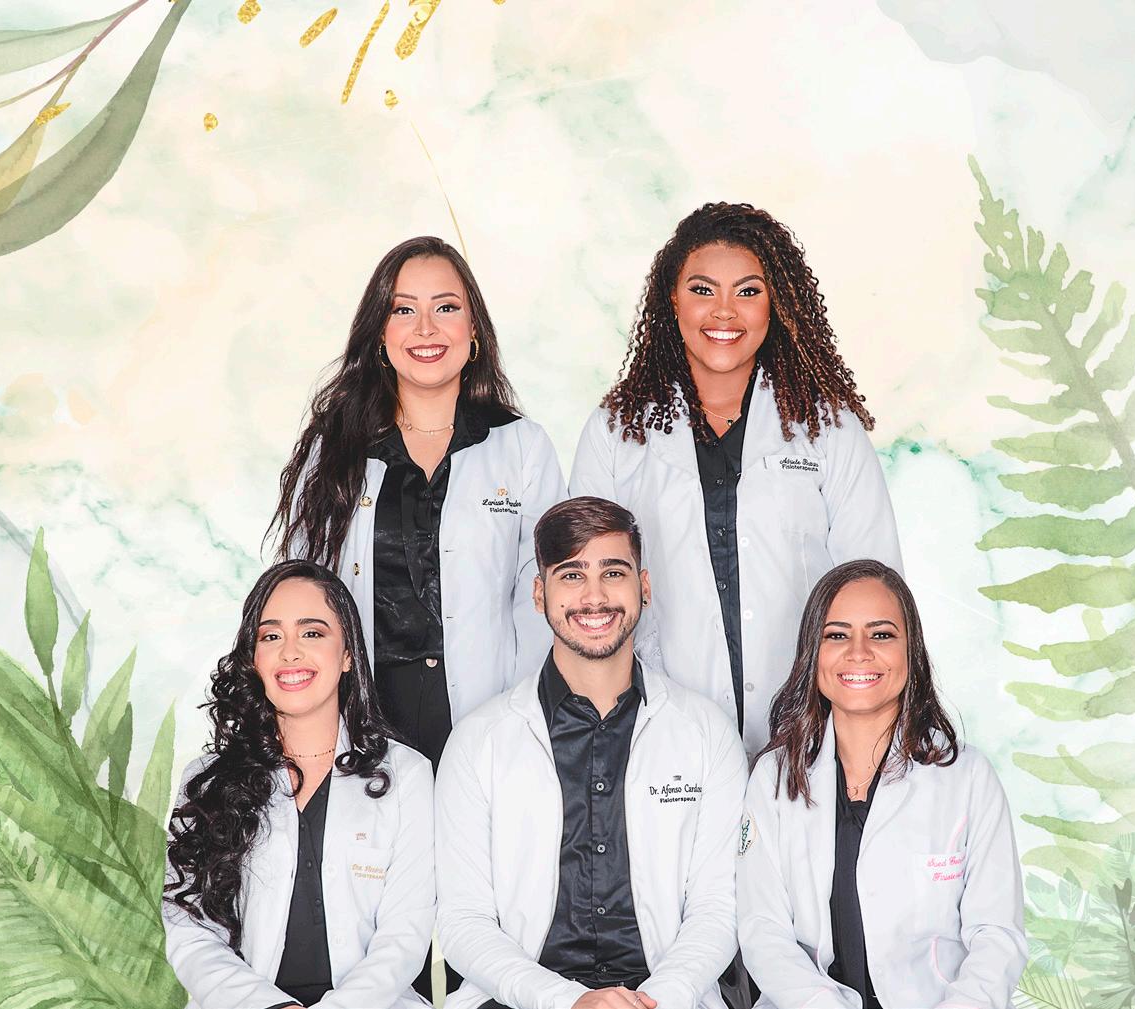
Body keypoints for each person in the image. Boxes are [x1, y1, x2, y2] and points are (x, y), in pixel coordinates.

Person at [570, 202, 902, 758]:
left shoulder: (828, 429)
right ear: (672, 300)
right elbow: (584, 592)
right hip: (658, 728)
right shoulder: (617, 432)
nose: (724, 311)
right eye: (703, 290)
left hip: (813, 727)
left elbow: (877, 588)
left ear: (777, 304)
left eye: (748, 291)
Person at [435, 496, 748, 1009]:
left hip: (666, 997)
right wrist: (566, 1000)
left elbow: (718, 908)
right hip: (524, 1000)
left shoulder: (706, 733)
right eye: (572, 575)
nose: (595, 596)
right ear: (540, 593)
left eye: (613, 572)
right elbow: (464, 920)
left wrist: (657, 998)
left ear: (644, 587)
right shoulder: (478, 742)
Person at [268, 235, 566, 771]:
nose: (425, 329)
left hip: (492, 726)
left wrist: (522, 719)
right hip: (362, 726)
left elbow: (544, 597)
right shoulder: (334, 450)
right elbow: (300, 595)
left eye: (445, 308)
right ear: (380, 335)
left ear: (474, 330)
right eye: (403, 310)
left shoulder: (521, 446)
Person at [736, 560, 1027, 1009]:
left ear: (912, 651)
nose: (859, 652)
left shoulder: (968, 777)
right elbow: (763, 931)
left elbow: (997, 936)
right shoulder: (774, 777)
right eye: (837, 635)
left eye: (882, 634)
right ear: (813, 652)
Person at [164, 560, 434, 1009]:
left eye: (311, 633)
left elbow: (405, 935)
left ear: (347, 655)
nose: (290, 652)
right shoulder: (208, 779)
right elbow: (188, 927)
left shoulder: (407, 775)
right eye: (271, 637)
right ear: (253, 659)